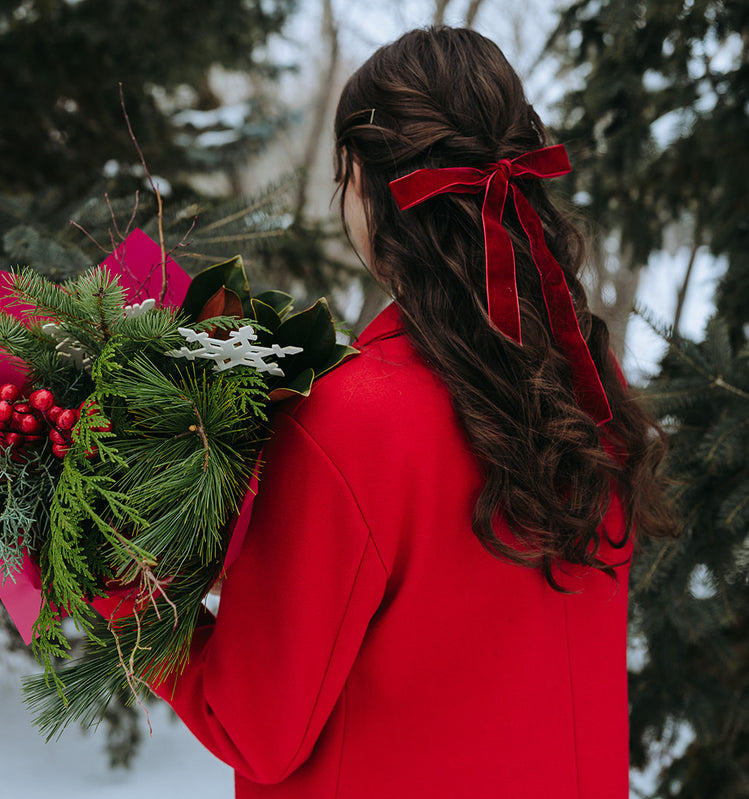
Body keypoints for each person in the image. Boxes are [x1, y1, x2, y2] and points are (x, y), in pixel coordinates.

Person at [148, 26, 679, 798]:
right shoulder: (587, 389)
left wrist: (131, 599)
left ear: (363, 184)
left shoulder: (346, 418)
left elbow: (252, 726)